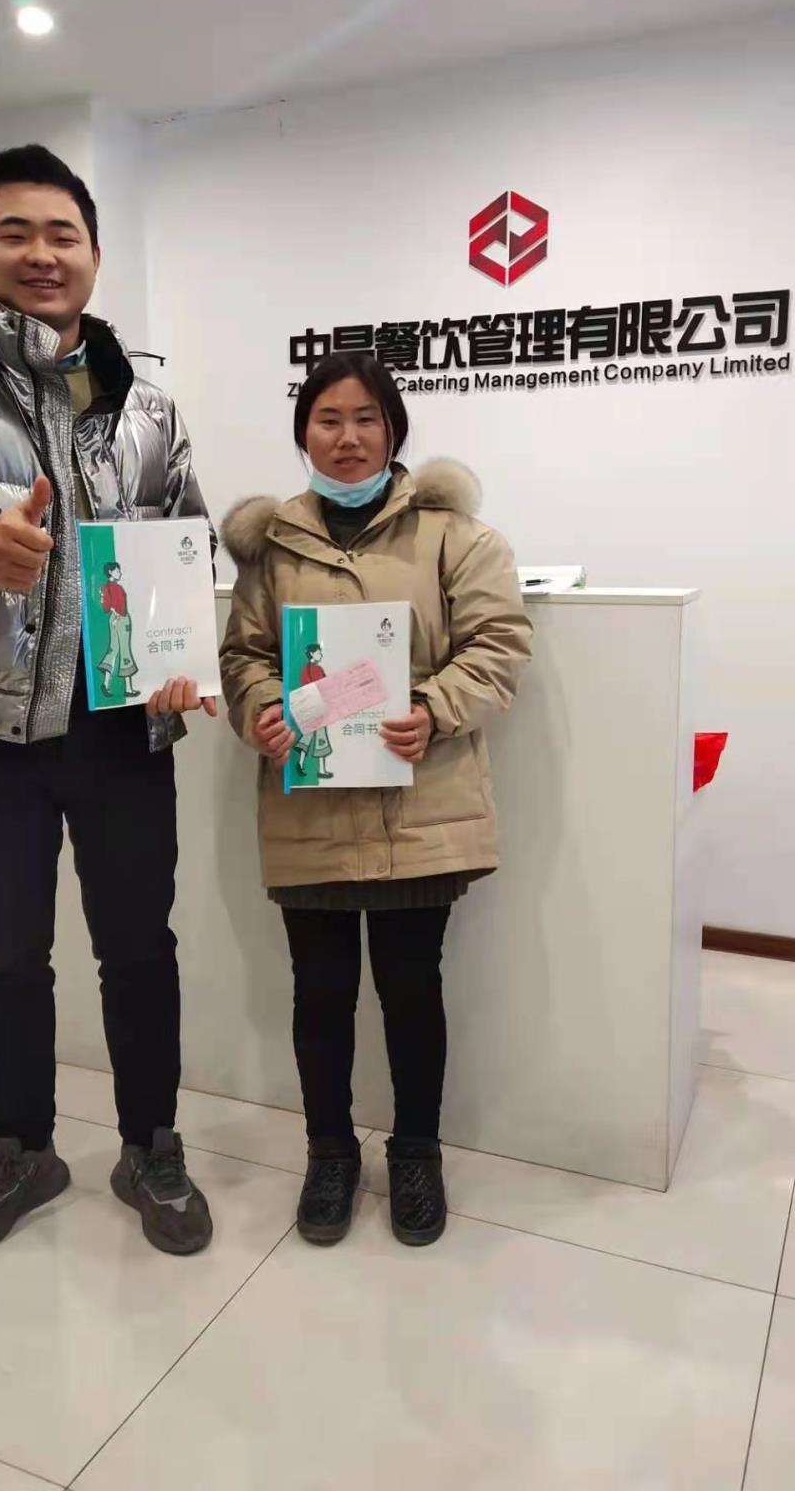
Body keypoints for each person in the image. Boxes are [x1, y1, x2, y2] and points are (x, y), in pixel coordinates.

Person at [0, 145, 216, 1260]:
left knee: (140, 947)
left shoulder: (146, 401)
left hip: (125, 725)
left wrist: (184, 650)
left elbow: (187, 530)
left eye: (61, 234)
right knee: (5, 955)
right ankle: (21, 1147)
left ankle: (151, 1143)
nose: (41, 253)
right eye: (16, 233)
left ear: (93, 253)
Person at [220, 353, 532, 1248]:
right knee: (318, 991)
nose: (347, 437)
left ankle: (415, 1153)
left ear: (393, 429)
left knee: (409, 988)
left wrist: (433, 707)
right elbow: (243, 655)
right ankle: (328, 1152)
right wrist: (262, 707)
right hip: (309, 805)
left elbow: (498, 643)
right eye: (327, 419)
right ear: (303, 434)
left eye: (365, 418)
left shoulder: (454, 536)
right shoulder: (272, 548)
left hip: (418, 807)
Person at [99, 560, 138, 699]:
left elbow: (106, 606)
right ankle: (128, 688)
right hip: (121, 618)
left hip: (113, 619)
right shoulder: (116, 588)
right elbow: (118, 605)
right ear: (110, 572)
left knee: (113, 649)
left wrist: (114, 614)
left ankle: (105, 684)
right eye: (117, 570)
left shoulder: (105, 587)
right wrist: (118, 615)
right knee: (125, 651)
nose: (119, 573)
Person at [294, 644, 333, 780]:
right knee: (321, 737)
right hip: (317, 706)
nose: (320, 655)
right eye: (318, 652)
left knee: (308, 735)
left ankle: (300, 763)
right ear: (312, 654)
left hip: (310, 707)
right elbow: (322, 686)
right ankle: (321, 770)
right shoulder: (314, 669)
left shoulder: (308, 669)